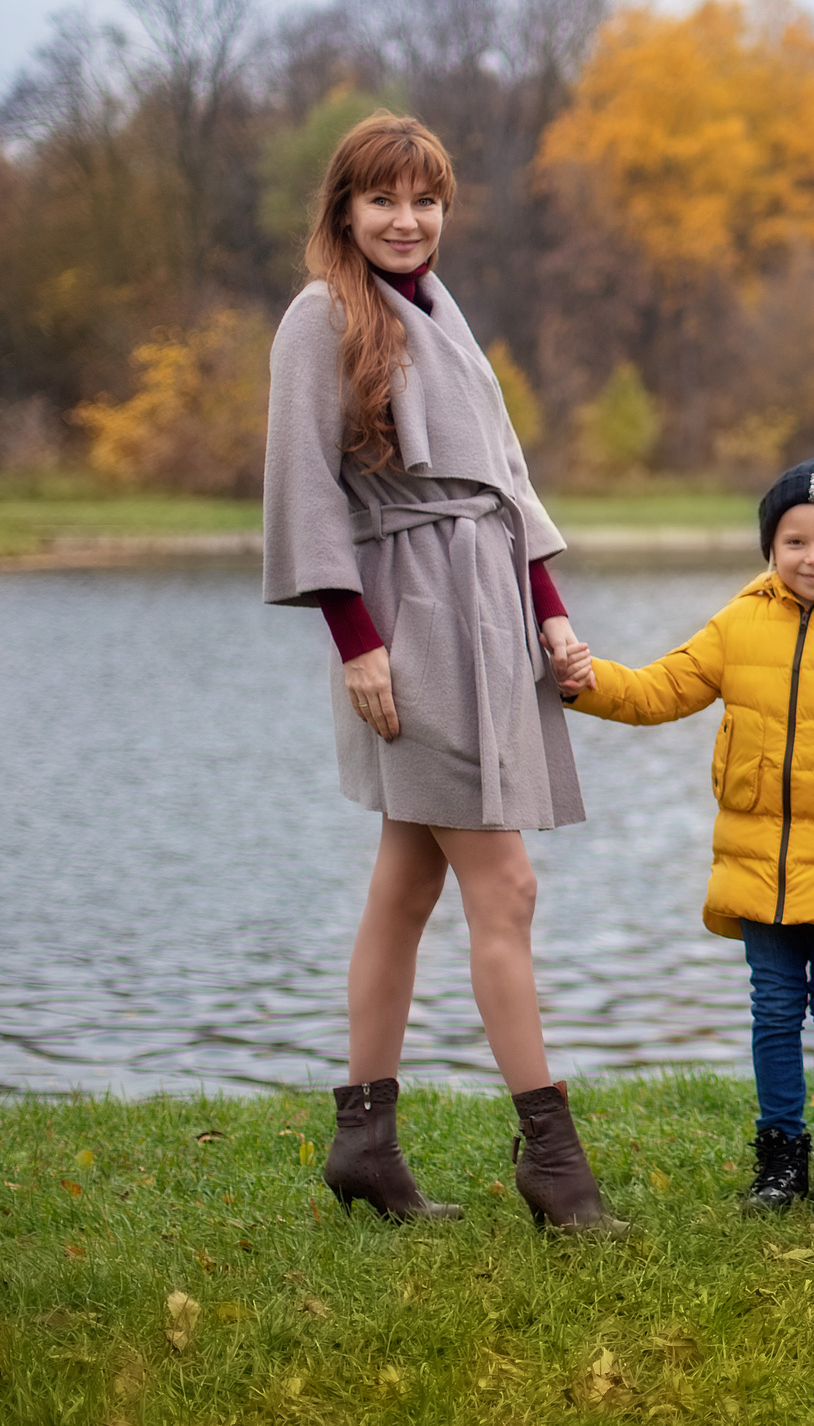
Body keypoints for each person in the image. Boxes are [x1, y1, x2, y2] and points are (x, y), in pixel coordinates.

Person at [263, 112, 620, 1233]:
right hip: (408, 622)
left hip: (489, 609)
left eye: (425, 201)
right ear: (345, 211)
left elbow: (502, 485)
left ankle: (365, 1142)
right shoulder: (320, 317)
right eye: (384, 200)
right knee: (504, 886)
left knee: (406, 884)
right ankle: (553, 1167)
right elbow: (304, 490)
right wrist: (353, 638)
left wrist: (551, 618)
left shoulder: (444, 312)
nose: (407, 221)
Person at [563, 458, 814, 1212]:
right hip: (757, 865)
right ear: (770, 547)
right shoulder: (739, 623)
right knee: (774, 1011)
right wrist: (583, 683)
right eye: (795, 540)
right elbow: (660, 690)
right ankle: (780, 1159)